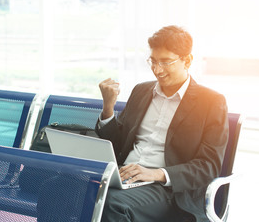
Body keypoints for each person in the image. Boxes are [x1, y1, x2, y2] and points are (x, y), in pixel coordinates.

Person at [96, 25, 229, 222]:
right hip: (124, 177)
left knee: (110, 205)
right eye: (153, 61)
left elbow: (208, 166)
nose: (157, 70)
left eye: (166, 62)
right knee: (56, 187)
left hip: (169, 190)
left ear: (187, 61)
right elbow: (116, 143)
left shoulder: (210, 102)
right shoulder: (141, 91)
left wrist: (155, 173)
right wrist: (108, 108)